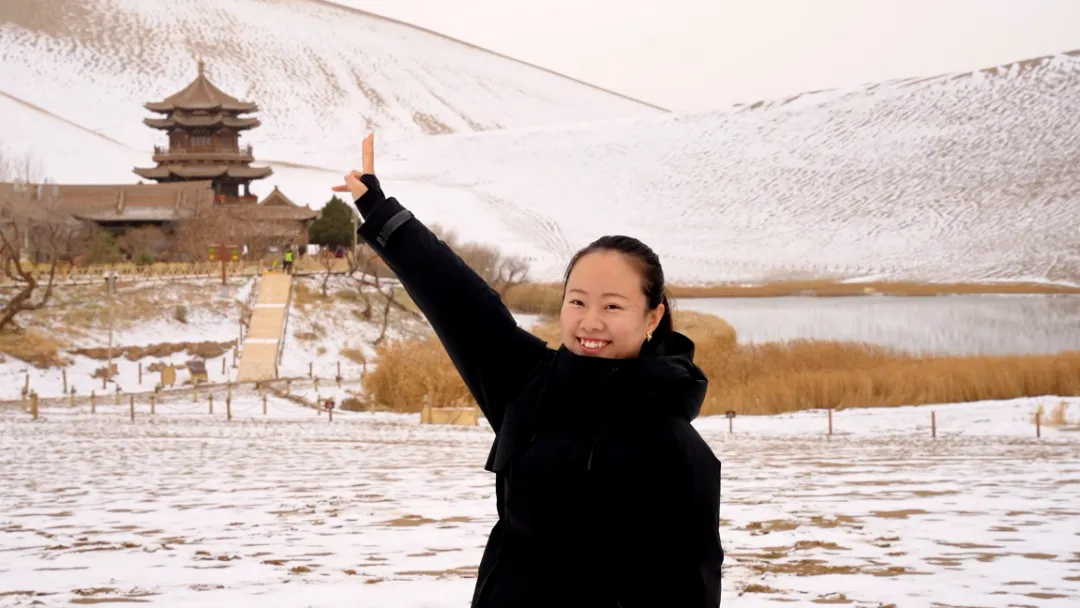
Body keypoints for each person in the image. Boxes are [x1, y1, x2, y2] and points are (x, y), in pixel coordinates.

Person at [333, 134, 723, 607]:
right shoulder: (531, 384)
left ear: (653, 316)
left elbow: (689, 592)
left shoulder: (678, 449)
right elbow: (460, 301)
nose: (590, 321)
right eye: (577, 301)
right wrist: (381, 212)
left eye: (613, 305)